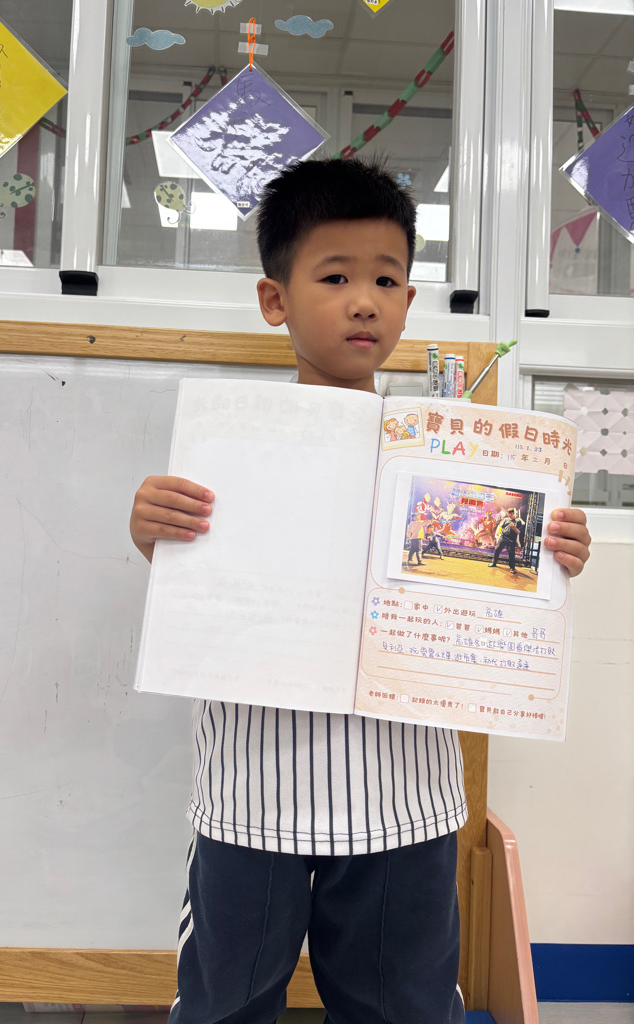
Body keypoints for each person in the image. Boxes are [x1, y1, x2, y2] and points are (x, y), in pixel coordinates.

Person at [129, 157, 592, 1024]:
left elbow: (504, 586)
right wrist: (150, 525)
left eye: (385, 280)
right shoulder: (232, 445)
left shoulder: (457, 456)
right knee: (225, 1006)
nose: (364, 302)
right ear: (275, 300)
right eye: (334, 277)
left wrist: (554, 549)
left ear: (409, 301)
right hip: (251, 796)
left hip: (404, 800)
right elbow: (196, 581)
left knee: (404, 1008)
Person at [490, 507, 525, 574]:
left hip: (511, 539)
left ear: (513, 513)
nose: (509, 515)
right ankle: (494, 563)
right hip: (503, 537)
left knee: (511, 554)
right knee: (497, 549)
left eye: (510, 514)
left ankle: (512, 568)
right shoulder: (506, 519)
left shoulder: (518, 521)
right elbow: (500, 526)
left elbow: (518, 532)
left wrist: (514, 528)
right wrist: (498, 533)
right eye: (508, 514)